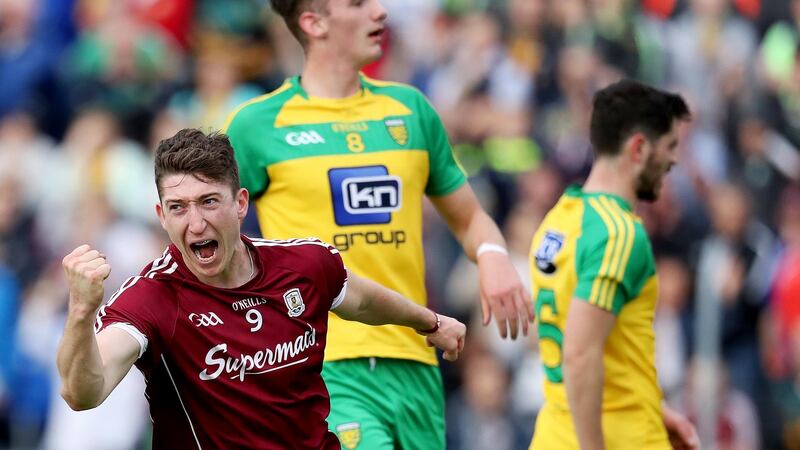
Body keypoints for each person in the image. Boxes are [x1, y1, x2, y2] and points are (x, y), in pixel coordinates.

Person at [223, 1, 532, 448]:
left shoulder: (411, 111)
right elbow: (208, 230)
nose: (380, 11)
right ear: (314, 22)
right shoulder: (257, 126)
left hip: (419, 360)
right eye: (357, 3)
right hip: (324, 365)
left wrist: (494, 257)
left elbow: (469, 218)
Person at [56, 128, 466, 450]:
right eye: (179, 208)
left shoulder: (305, 265)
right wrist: (80, 313)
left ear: (240, 203)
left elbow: (361, 300)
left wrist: (429, 322)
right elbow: (82, 393)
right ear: (162, 215)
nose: (195, 224)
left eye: (209, 201)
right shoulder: (151, 297)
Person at [527, 80, 698, 450]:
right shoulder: (619, 234)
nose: (674, 159)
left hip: (555, 434)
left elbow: (608, 348)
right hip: (620, 438)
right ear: (638, 148)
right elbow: (579, 353)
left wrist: (655, 406)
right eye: (669, 146)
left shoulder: (557, 221)